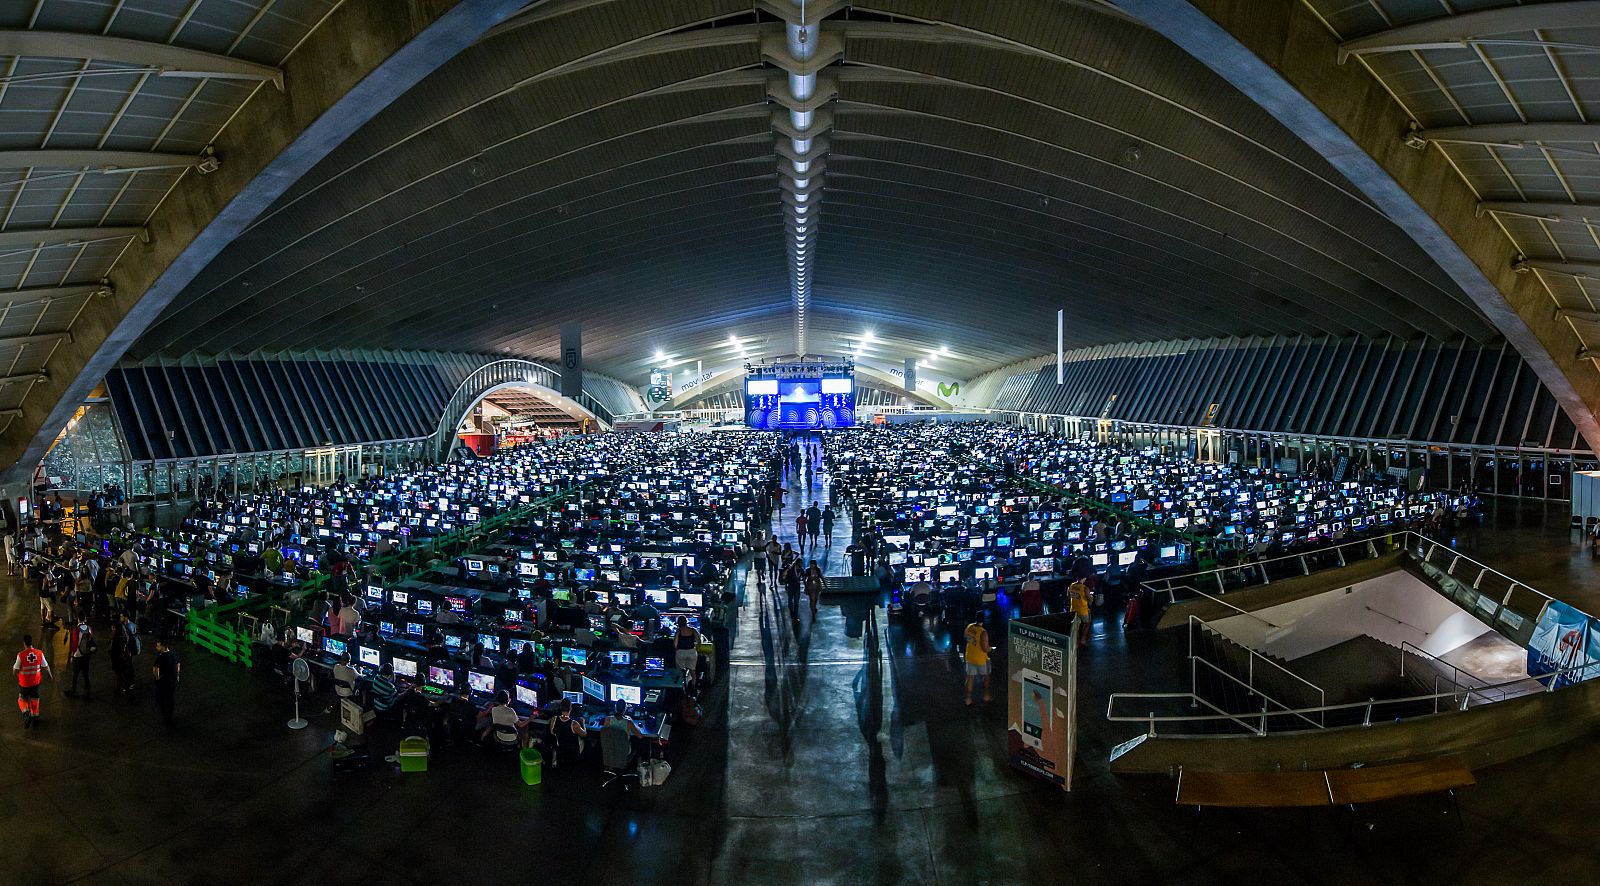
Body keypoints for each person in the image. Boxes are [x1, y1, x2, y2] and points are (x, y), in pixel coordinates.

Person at [13, 635, 51, 727]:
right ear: (31, 642)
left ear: (24, 643)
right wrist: (50, 674)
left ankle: (26, 714)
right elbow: (46, 666)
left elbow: (15, 669)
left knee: (22, 699)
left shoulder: (21, 655)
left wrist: (14, 674)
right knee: (35, 699)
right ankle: (35, 717)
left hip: (24, 683)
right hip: (35, 682)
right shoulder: (39, 653)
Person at [546, 699, 587, 768]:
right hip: (573, 751)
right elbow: (585, 734)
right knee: (587, 740)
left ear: (560, 708)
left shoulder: (554, 719)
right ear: (571, 708)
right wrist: (583, 723)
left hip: (560, 748)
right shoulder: (574, 724)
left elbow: (552, 732)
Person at [962, 619, 992, 705]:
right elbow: (985, 648)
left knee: (970, 678)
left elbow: (965, 636)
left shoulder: (970, 626)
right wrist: (991, 649)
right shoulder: (983, 632)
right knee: (986, 677)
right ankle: (986, 696)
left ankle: (968, 699)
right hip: (981, 659)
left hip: (970, 657)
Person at [152, 639, 179, 727]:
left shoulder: (161, 657)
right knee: (170, 699)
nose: (156, 648)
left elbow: (155, 669)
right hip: (172, 681)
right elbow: (178, 665)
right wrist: (177, 675)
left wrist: (157, 678)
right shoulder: (173, 654)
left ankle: (165, 716)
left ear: (163, 646)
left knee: (160, 699)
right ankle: (169, 716)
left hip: (163, 682)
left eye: (158, 646)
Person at [65, 620, 95, 699]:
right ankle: (87, 693)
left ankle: (73, 692)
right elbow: (91, 640)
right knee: (85, 674)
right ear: (85, 619)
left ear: (78, 619)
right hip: (86, 655)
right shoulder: (89, 628)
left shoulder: (76, 629)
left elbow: (75, 643)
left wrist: (73, 653)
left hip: (78, 655)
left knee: (75, 675)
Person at [674, 616, 700, 688]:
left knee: (680, 671)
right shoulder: (693, 630)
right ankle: (693, 688)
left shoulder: (678, 631)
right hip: (692, 652)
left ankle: (682, 687)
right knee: (692, 672)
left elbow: (675, 644)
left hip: (681, 652)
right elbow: (699, 641)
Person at [1067, 578, 1092, 648]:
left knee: (1076, 627)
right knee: (1087, 624)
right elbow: (1089, 599)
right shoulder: (1085, 588)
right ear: (1084, 578)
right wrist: (1092, 597)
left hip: (1073, 609)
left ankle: (1077, 643)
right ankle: (1083, 640)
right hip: (1083, 610)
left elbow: (1068, 596)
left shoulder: (1071, 585)